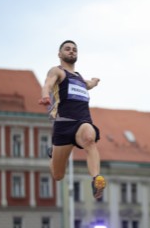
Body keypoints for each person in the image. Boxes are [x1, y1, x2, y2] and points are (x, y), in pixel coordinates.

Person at [38, 40, 106, 199]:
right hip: (63, 123)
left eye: (74, 49)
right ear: (60, 54)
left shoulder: (80, 79)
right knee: (58, 175)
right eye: (67, 49)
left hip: (82, 121)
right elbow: (48, 83)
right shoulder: (58, 71)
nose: (71, 51)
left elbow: (88, 84)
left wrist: (94, 82)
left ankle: (96, 179)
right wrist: (44, 96)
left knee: (90, 138)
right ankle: (53, 153)